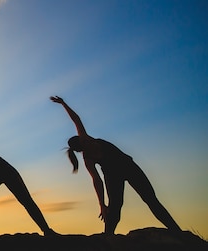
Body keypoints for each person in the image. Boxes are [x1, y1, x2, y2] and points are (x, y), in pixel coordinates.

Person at [50, 96, 182, 234]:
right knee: (114, 207)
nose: (88, 142)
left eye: (85, 140)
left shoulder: (85, 136)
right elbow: (97, 181)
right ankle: (108, 236)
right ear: (82, 148)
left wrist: (63, 104)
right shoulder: (88, 159)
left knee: (151, 199)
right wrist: (102, 204)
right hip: (112, 176)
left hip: (128, 167)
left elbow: (75, 119)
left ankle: (178, 232)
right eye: (85, 144)